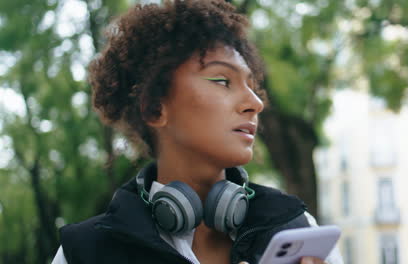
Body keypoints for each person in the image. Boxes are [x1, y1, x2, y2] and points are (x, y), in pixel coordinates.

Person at [51, 1, 343, 263]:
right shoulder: (85, 252)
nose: (254, 103)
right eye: (221, 80)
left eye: (253, 87)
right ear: (155, 109)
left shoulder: (298, 228)